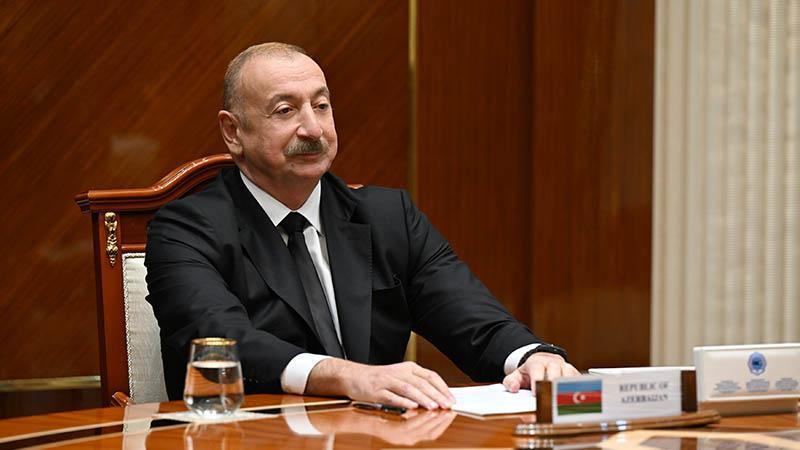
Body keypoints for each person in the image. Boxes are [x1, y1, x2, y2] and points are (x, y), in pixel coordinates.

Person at [145, 42, 579, 410]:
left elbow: (472, 319)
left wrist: (532, 356)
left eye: (321, 106)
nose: (313, 128)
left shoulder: (389, 217)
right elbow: (222, 343)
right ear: (233, 131)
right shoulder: (185, 230)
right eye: (285, 110)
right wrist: (347, 376)